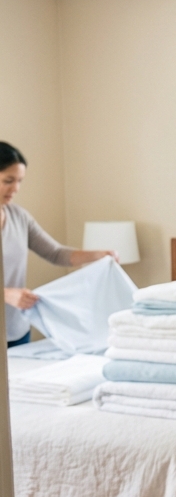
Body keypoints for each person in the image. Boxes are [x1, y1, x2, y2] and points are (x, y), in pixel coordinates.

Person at [2, 142, 116, 348]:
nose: (16, 188)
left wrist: (98, 255)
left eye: (20, 181)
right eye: (8, 181)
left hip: (17, 331)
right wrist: (7, 294)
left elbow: (55, 253)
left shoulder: (19, 217)